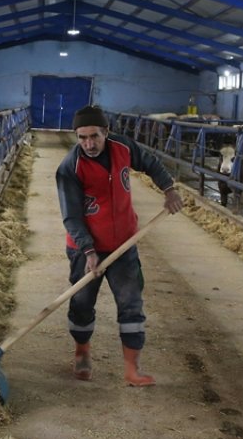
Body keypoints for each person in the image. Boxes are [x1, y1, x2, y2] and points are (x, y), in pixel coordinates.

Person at [55, 105, 183, 386]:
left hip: (124, 244)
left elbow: (150, 162)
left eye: (94, 137)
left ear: (106, 133)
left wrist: (169, 189)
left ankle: (132, 369)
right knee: (82, 302)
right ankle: (82, 354)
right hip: (84, 248)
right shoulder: (70, 168)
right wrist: (88, 250)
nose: (88, 144)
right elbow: (71, 216)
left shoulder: (123, 147)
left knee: (131, 303)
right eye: (82, 138)